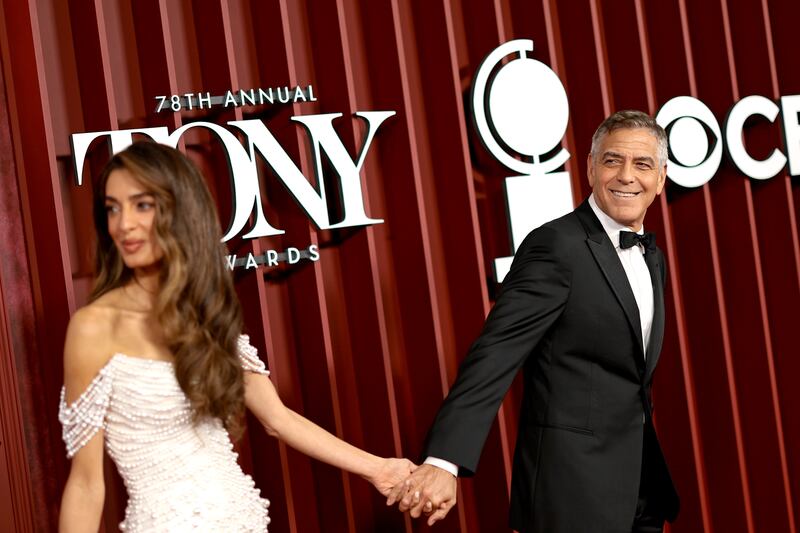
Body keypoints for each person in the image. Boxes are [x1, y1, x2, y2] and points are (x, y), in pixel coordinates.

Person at [58, 141, 415, 532]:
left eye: (142, 205)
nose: (123, 224)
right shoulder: (94, 326)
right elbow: (86, 485)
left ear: (180, 209)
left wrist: (379, 469)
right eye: (112, 208)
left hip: (243, 521)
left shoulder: (204, 312)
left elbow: (278, 419)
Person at [388, 110, 680, 532]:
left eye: (643, 164)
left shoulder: (654, 258)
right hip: (571, 494)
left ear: (662, 177)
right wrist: (444, 460)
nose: (626, 176)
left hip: (640, 492)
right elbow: (496, 351)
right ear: (591, 168)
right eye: (612, 160)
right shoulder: (557, 246)